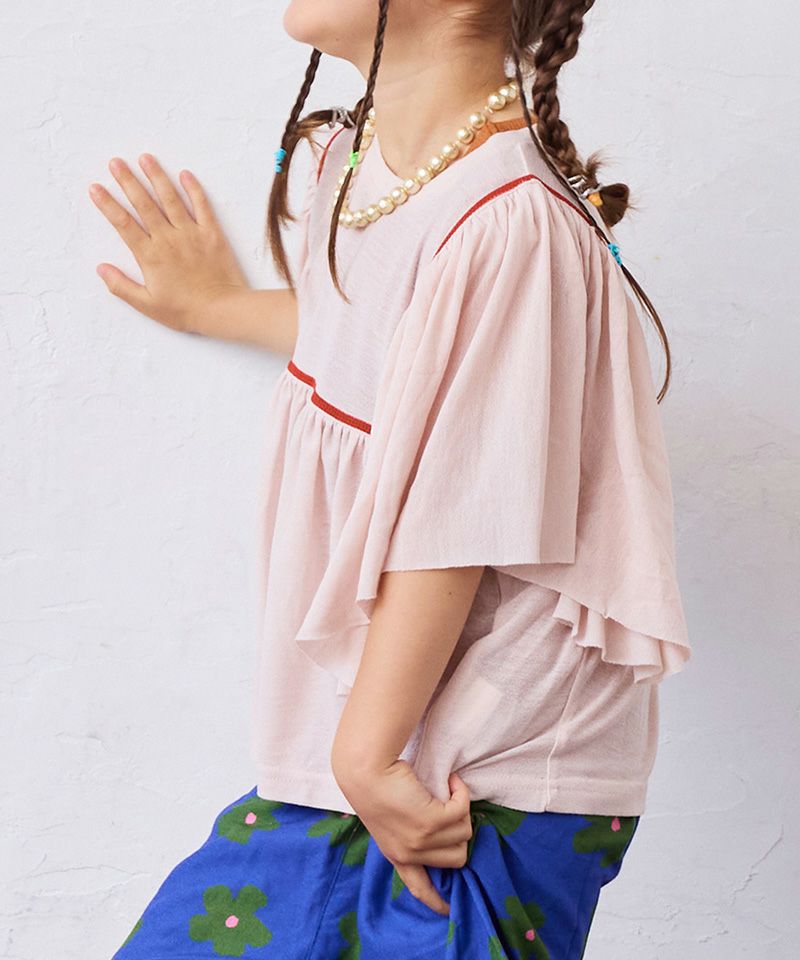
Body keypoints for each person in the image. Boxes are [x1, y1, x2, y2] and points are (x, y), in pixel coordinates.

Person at [89, 1, 692, 957]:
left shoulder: (512, 223)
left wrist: (366, 757)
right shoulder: (359, 158)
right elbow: (381, 349)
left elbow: (461, 516)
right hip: (378, 751)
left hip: (474, 778)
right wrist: (217, 306)